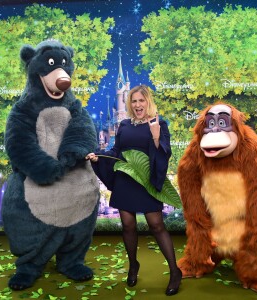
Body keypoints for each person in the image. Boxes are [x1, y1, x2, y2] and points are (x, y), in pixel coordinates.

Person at [86, 85, 182, 296]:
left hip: (146, 179)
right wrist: (99, 156)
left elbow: (164, 154)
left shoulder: (158, 124)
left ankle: (175, 272)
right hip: (125, 180)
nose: (138, 105)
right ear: (129, 104)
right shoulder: (124, 125)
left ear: (148, 102)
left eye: (141, 100)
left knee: (156, 225)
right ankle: (133, 265)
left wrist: (156, 137)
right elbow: (116, 151)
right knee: (128, 226)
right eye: (134, 101)